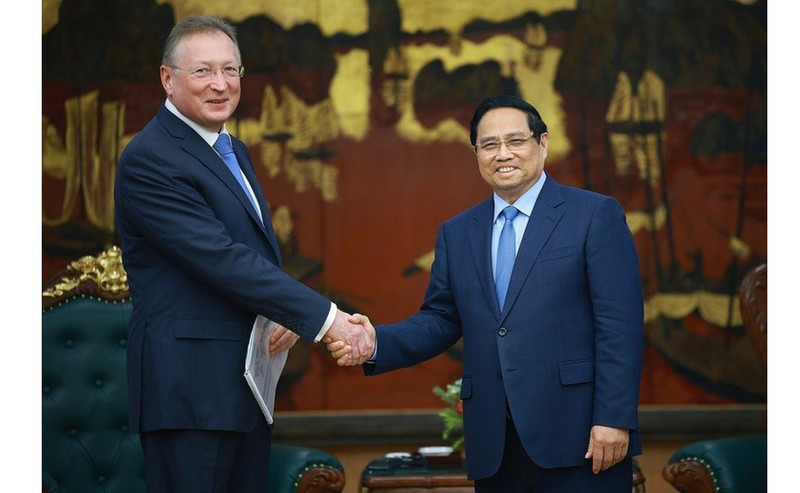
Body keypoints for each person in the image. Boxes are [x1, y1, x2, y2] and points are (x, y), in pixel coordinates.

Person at [329, 95, 644, 492]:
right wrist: (375, 342)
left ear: (542, 143)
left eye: (516, 141)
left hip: (580, 437)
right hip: (495, 444)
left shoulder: (594, 215)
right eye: (489, 145)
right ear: (476, 153)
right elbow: (441, 320)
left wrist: (614, 419)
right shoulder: (458, 233)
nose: (503, 154)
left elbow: (620, 326)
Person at [114, 15, 373, 492]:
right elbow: (221, 258)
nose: (221, 85)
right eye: (203, 71)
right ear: (167, 79)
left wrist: (283, 315)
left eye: (231, 71)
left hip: (244, 390)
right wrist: (327, 319)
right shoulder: (151, 159)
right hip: (191, 395)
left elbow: (251, 258)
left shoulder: (231, 149)